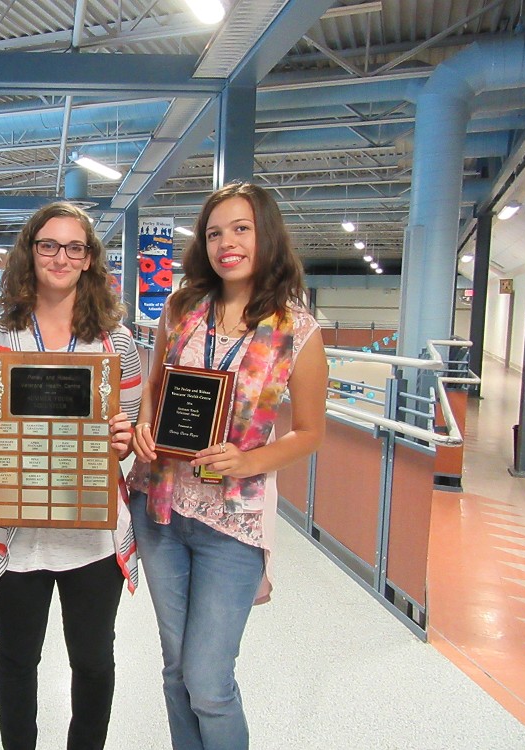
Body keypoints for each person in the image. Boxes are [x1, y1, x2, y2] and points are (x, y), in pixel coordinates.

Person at [129, 182, 327, 750]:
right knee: (174, 671)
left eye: (241, 229)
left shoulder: (298, 330)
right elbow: (156, 385)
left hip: (232, 523)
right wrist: (145, 425)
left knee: (209, 682)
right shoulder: (183, 308)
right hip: (160, 506)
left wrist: (248, 459)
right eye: (215, 233)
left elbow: (311, 433)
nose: (226, 243)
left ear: (267, 235)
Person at [0, 202, 142, 750]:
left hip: (92, 533)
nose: (61, 257)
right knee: (16, 658)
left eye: (74, 247)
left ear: (89, 260)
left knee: (93, 660)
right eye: (48, 245)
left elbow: (129, 436)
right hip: (16, 536)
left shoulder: (118, 344)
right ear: (30, 252)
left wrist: (121, 442)